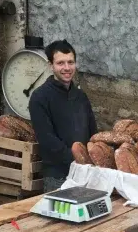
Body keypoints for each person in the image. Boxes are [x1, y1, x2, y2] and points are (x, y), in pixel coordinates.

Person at [29, 40, 97, 192]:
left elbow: (93, 132)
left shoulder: (81, 96)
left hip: (86, 173)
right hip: (57, 177)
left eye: (70, 62)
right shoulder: (40, 97)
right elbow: (47, 139)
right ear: (50, 65)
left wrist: (91, 159)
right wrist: (76, 160)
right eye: (60, 63)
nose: (67, 68)